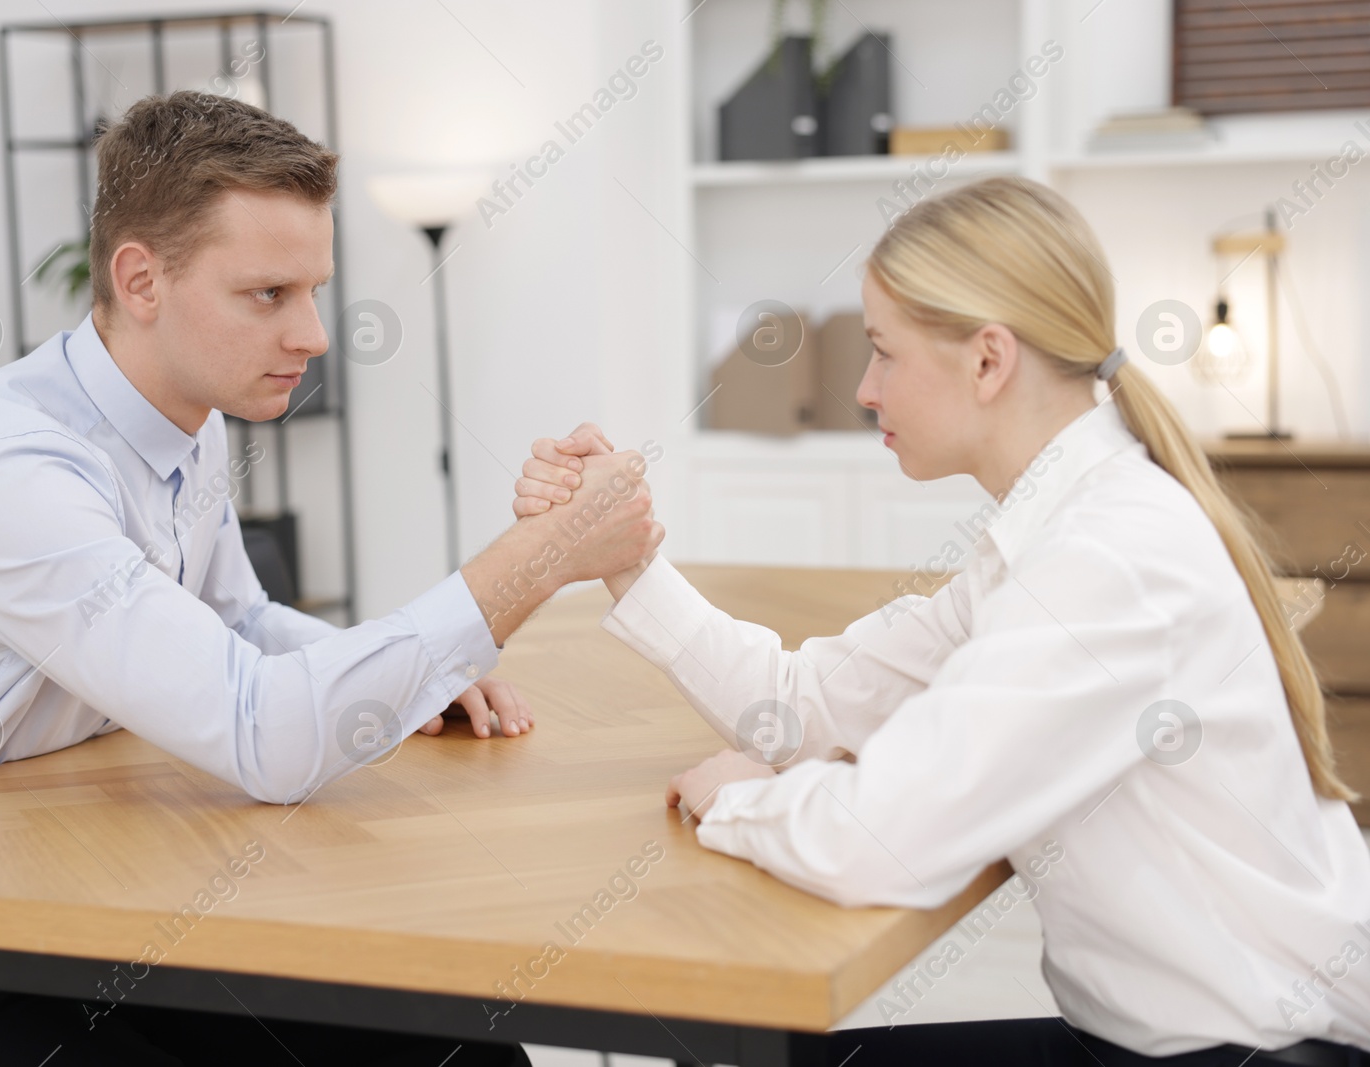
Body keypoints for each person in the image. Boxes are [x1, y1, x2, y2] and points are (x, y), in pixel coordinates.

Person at [0, 91, 660, 1067]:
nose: (315, 335)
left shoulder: (183, 419)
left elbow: (234, 614)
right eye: (267, 295)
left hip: (69, 895)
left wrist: (407, 676)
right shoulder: (16, 474)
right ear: (140, 278)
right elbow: (265, 736)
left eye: (315, 290)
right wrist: (534, 560)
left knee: (459, 1047)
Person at [516, 177, 1370, 1066]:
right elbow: (797, 701)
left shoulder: (1108, 559)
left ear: (989, 361)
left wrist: (739, 799)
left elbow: (886, 843)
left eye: (883, 352)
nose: (862, 388)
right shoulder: (1045, 539)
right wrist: (626, 562)